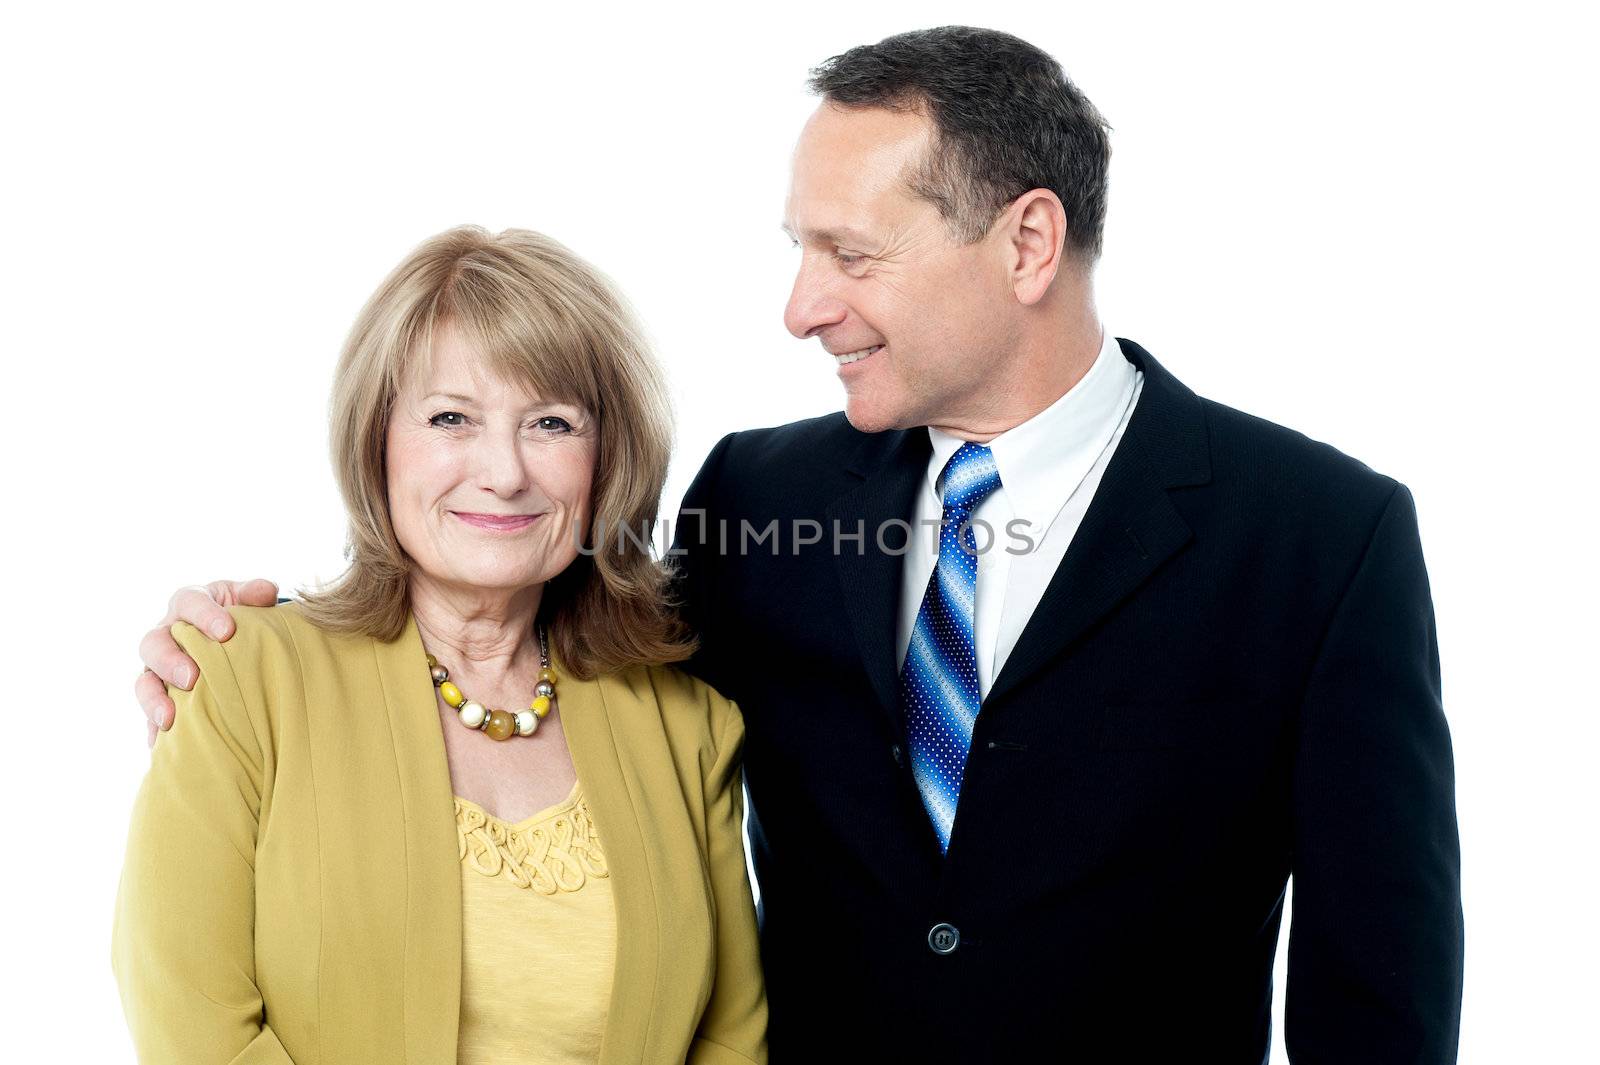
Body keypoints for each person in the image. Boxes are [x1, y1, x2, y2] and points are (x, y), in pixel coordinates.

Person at [133, 26, 1464, 1065]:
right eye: (798, 248)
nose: (800, 305)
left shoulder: (1319, 539)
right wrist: (245, 645)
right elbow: (546, 619)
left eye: (850, 253)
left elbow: (1379, 998)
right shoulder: (756, 498)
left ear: (1028, 242)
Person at [114, 226, 767, 1064]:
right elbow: (192, 1023)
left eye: (552, 423)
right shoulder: (242, 677)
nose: (503, 471)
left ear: (606, 461)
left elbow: (729, 1037)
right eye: (450, 416)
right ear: (376, 440)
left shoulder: (688, 724)